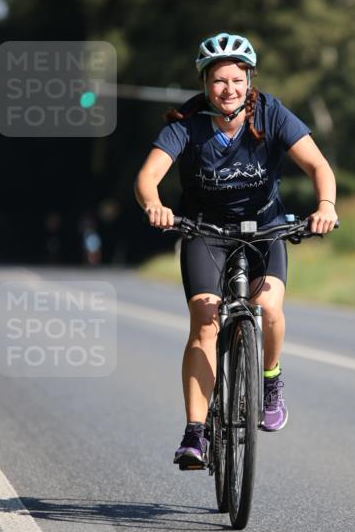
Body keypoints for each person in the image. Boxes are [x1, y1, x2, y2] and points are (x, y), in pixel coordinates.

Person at [134, 32, 338, 468]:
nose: (229, 88)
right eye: (219, 80)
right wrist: (155, 205)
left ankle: (269, 380)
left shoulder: (272, 113)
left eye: (237, 79)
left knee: (269, 307)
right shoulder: (184, 124)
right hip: (204, 230)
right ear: (206, 84)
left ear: (250, 80)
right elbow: (148, 176)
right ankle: (194, 433)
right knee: (205, 321)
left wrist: (325, 205)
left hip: (264, 228)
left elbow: (318, 165)